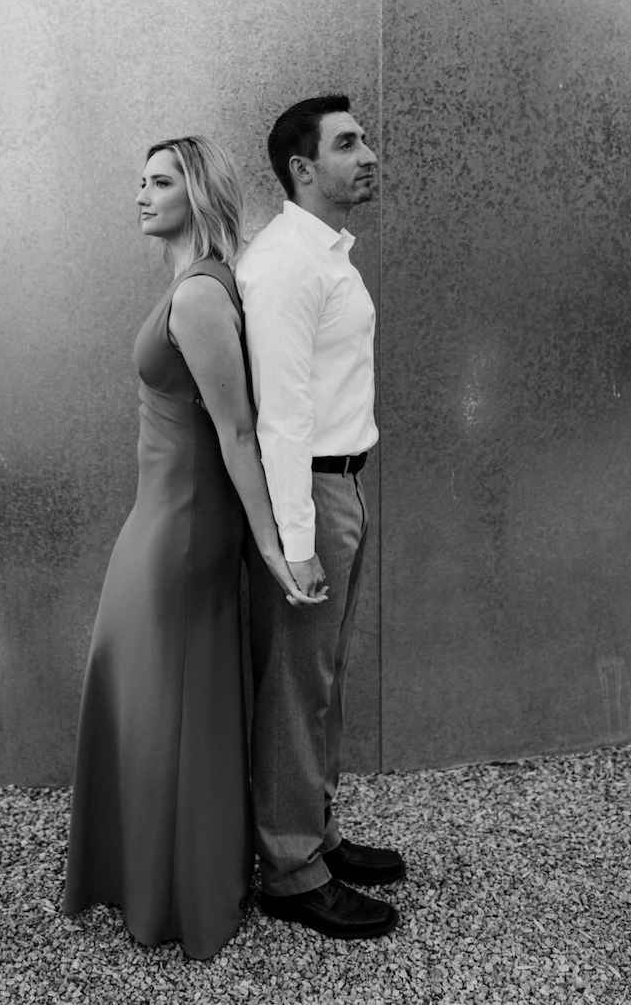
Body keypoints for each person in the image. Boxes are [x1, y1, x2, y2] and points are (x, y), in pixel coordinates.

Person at [62, 135, 325, 961]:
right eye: (139, 181)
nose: (141, 194)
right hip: (161, 521)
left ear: (198, 191)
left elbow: (238, 433)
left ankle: (178, 891)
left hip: (180, 533)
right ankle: (156, 876)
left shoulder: (202, 294)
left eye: (160, 181)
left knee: (167, 705)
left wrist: (274, 546)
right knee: (154, 699)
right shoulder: (191, 281)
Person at [236, 95, 404, 940]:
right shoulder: (284, 264)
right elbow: (281, 418)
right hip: (310, 490)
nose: (368, 153)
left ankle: (317, 831)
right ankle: (291, 869)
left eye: (364, 138)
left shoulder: (326, 252)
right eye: (348, 143)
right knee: (296, 688)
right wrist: (296, 543)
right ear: (303, 168)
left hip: (344, 485)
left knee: (324, 677)